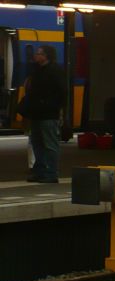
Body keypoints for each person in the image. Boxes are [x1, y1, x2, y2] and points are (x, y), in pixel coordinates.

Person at [20, 45, 65, 183]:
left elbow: (62, 91)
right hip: (37, 113)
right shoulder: (37, 70)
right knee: (37, 143)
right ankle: (39, 171)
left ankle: (51, 173)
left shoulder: (55, 71)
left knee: (50, 144)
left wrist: (57, 108)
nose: (36, 56)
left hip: (49, 114)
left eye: (39, 54)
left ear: (46, 56)